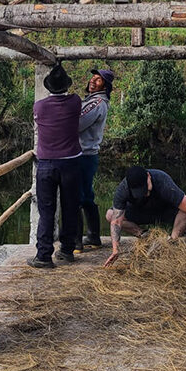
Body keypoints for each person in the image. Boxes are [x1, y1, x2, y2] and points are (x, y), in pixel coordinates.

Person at [104, 166, 186, 267]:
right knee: (110, 215)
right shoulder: (123, 189)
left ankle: (172, 242)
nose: (145, 194)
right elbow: (116, 222)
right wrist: (115, 250)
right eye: (140, 192)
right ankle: (144, 235)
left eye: (146, 190)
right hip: (140, 213)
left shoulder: (162, 180)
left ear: (148, 177)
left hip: (165, 211)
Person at [28, 63, 82, 268]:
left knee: (46, 211)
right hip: (71, 163)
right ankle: (67, 250)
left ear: (49, 87)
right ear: (66, 86)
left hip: (46, 163)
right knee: (70, 208)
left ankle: (43, 255)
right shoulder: (75, 102)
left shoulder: (39, 106)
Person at [75, 68, 115, 253]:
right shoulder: (93, 101)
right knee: (87, 196)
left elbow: (77, 124)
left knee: (76, 197)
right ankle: (93, 236)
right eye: (93, 77)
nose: (92, 81)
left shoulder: (96, 103)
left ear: (105, 86)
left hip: (83, 155)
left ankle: (75, 243)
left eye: (98, 80)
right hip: (88, 155)